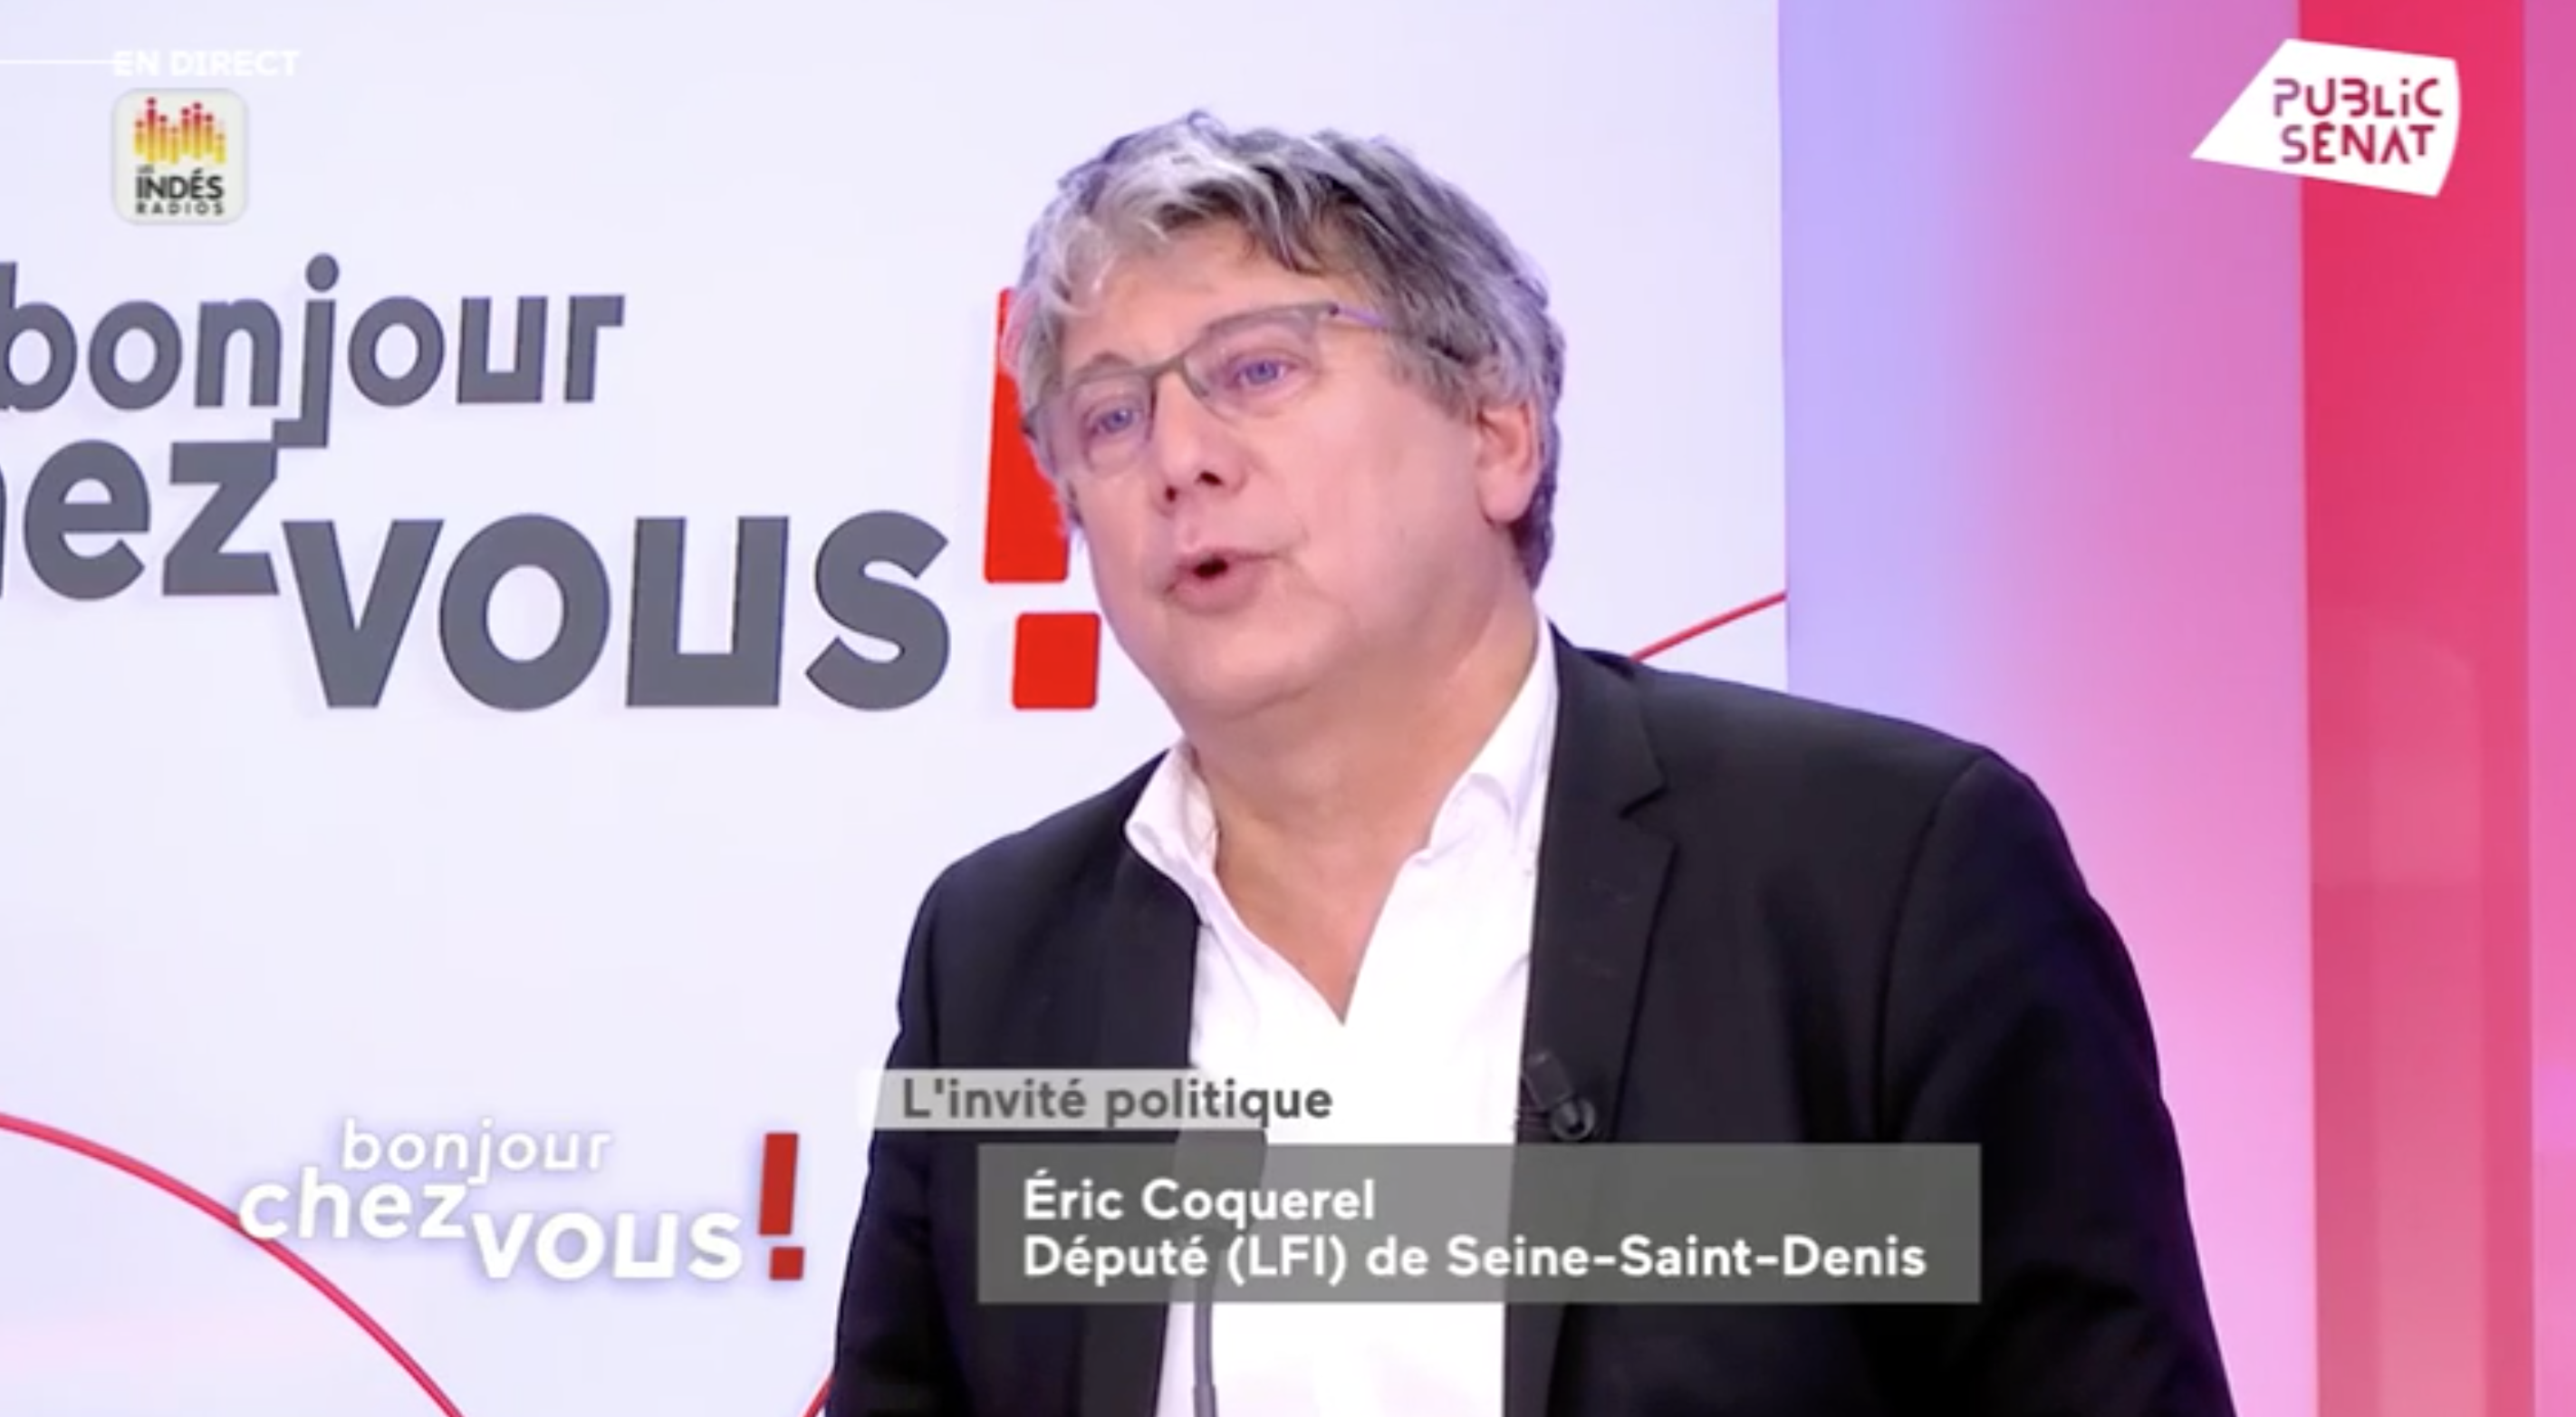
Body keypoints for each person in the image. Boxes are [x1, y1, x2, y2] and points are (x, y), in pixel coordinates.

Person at [826, 111, 2235, 1417]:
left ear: (1498, 433)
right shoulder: (997, 953)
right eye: (1110, 417)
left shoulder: (1885, 873)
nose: (1178, 458)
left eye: (1257, 370)